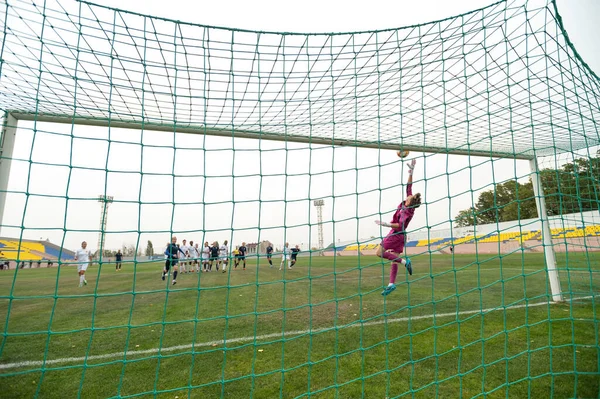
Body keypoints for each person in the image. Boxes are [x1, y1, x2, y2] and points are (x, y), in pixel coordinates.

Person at [375, 159, 421, 296]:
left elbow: (400, 225)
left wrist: (385, 224)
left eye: (409, 196)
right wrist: (411, 172)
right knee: (393, 259)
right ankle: (391, 284)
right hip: (401, 236)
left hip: (396, 233)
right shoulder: (408, 203)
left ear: (409, 201)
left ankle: (405, 262)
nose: (408, 194)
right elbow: (408, 186)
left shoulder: (406, 211)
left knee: (379, 253)